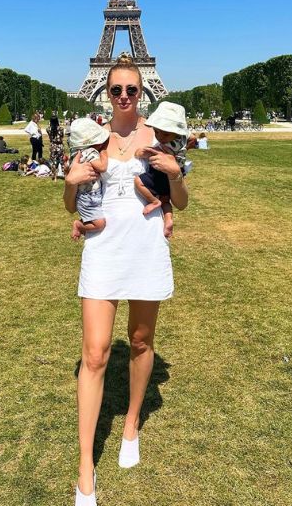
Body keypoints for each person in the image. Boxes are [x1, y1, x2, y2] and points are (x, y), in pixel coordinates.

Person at [64, 54, 188, 505]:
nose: (122, 97)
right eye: (114, 90)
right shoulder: (91, 139)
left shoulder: (161, 138)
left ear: (143, 92)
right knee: (94, 355)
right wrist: (70, 183)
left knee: (139, 341)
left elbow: (182, 200)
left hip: (144, 250)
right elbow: (70, 203)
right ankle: (84, 467)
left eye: (130, 90)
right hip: (103, 254)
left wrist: (175, 176)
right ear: (105, 92)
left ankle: (132, 421)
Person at [133, 101, 188, 239]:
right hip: (169, 179)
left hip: (159, 174)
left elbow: (155, 152)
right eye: (157, 132)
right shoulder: (179, 141)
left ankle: (153, 201)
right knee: (165, 200)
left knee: (138, 182)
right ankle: (168, 218)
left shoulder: (166, 145)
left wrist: (142, 152)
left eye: (165, 133)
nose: (160, 137)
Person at [67, 118, 109, 240]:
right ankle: (79, 225)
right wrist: (104, 153)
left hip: (85, 196)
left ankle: (84, 223)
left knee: (96, 220)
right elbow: (102, 167)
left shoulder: (76, 153)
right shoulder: (90, 152)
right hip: (89, 196)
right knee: (100, 224)